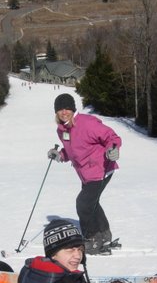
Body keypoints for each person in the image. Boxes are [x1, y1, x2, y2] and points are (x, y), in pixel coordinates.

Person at [47, 93, 122, 255]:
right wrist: (59, 155)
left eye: (67, 108)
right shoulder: (62, 130)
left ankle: (92, 239)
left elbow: (112, 137)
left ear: (73, 108)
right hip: (86, 173)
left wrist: (113, 149)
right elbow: (71, 151)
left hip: (101, 169)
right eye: (60, 109)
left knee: (84, 203)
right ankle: (104, 233)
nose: (64, 112)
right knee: (92, 202)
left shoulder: (87, 123)